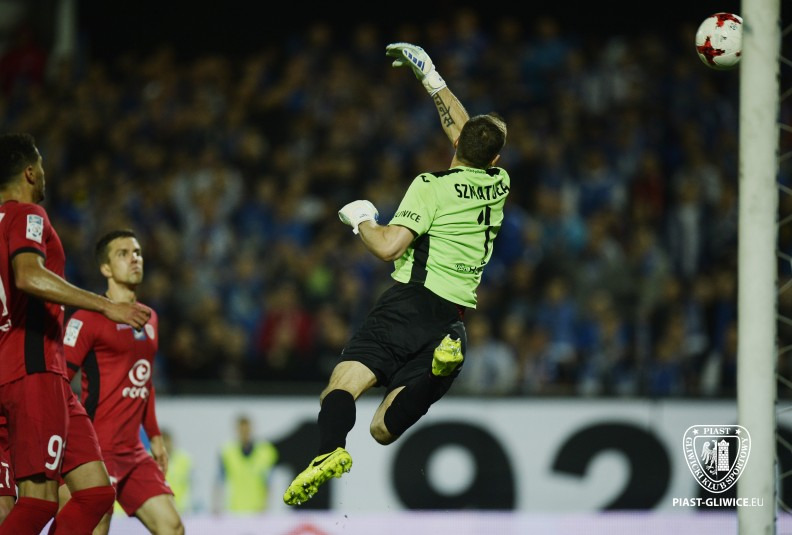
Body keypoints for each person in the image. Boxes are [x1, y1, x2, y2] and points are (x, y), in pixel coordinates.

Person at [283, 42, 510, 505]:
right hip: (451, 322)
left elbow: (389, 246)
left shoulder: (431, 186)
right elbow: (469, 133)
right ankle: (437, 372)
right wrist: (432, 78)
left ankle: (329, 450)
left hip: (410, 303)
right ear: (495, 161)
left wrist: (362, 219)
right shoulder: (498, 184)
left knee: (341, 386)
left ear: (458, 145)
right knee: (384, 428)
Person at [0, 133, 151, 534]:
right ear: (29, 172)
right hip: (32, 369)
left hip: (33, 371)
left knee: (96, 494)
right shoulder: (26, 215)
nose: (45, 174)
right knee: (38, 501)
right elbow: (28, 274)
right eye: (42, 165)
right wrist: (105, 305)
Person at [60, 229, 184, 534]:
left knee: (172, 527)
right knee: (96, 527)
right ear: (105, 268)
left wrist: (155, 437)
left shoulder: (149, 317)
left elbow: (144, 380)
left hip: (132, 451)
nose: (134, 259)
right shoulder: (87, 318)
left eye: (137, 252)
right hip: (95, 450)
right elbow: (59, 380)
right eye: (123, 254)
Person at [216, 415, 278, 513]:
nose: (244, 433)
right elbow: (219, 481)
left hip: (257, 510)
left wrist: (265, 507)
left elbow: (268, 483)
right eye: (242, 430)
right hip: (234, 509)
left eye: (247, 430)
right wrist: (217, 506)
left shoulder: (265, 452)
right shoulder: (227, 452)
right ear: (237, 431)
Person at [160, 429, 194, 514]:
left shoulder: (185, 460)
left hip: (182, 509)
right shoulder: (149, 460)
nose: (166, 445)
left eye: (167, 441)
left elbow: (192, 483)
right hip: (159, 510)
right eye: (163, 442)